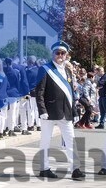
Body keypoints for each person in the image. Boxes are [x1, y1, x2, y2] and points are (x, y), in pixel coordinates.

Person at [35, 41, 83, 180]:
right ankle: (44, 168)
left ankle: (76, 169)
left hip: (65, 112)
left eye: (63, 53)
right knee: (45, 141)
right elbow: (40, 92)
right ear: (53, 54)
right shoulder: (45, 69)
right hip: (49, 112)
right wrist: (42, 110)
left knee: (71, 140)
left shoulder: (67, 70)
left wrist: (73, 110)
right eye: (58, 53)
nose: (60, 55)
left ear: (66, 55)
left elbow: (70, 93)